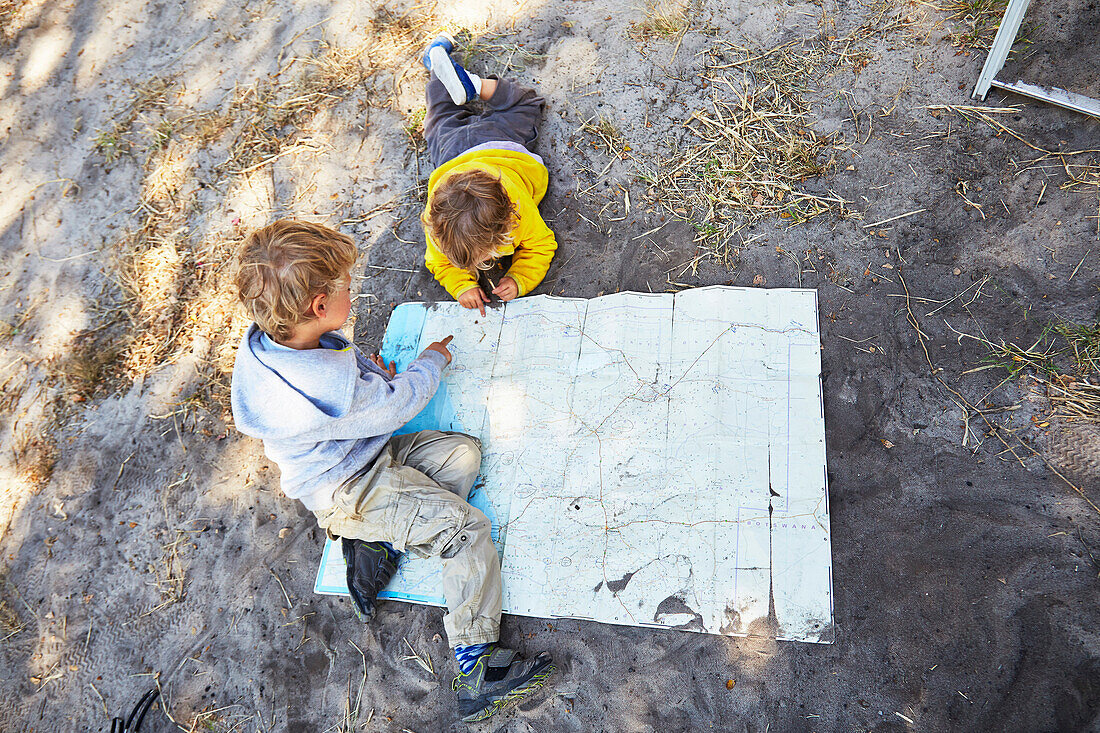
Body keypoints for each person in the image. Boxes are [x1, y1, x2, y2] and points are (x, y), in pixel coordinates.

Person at [229, 219, 555, 722]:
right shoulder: (329, 391)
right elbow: (396, 404)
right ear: (319, 306)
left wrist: (372, 374)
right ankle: (475, 664)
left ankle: (374, 539)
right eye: (344, 288)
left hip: (367, 458)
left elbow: (346, 368)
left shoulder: (272, 342)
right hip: (350, 488)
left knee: (462, 455)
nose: (350, 295)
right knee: (466, 530)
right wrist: (430, 361)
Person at [420, 34, 557, 316]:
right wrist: (461, 285)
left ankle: (454, 76)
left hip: (494, 144)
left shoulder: (518, 209)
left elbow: (541, 244)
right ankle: (451, 73)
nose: (486, 264)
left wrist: (520, 278)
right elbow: (441, 262)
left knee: (525, 104)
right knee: (441, 116)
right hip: (454, 154)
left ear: (509, 222)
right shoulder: (437, 229)